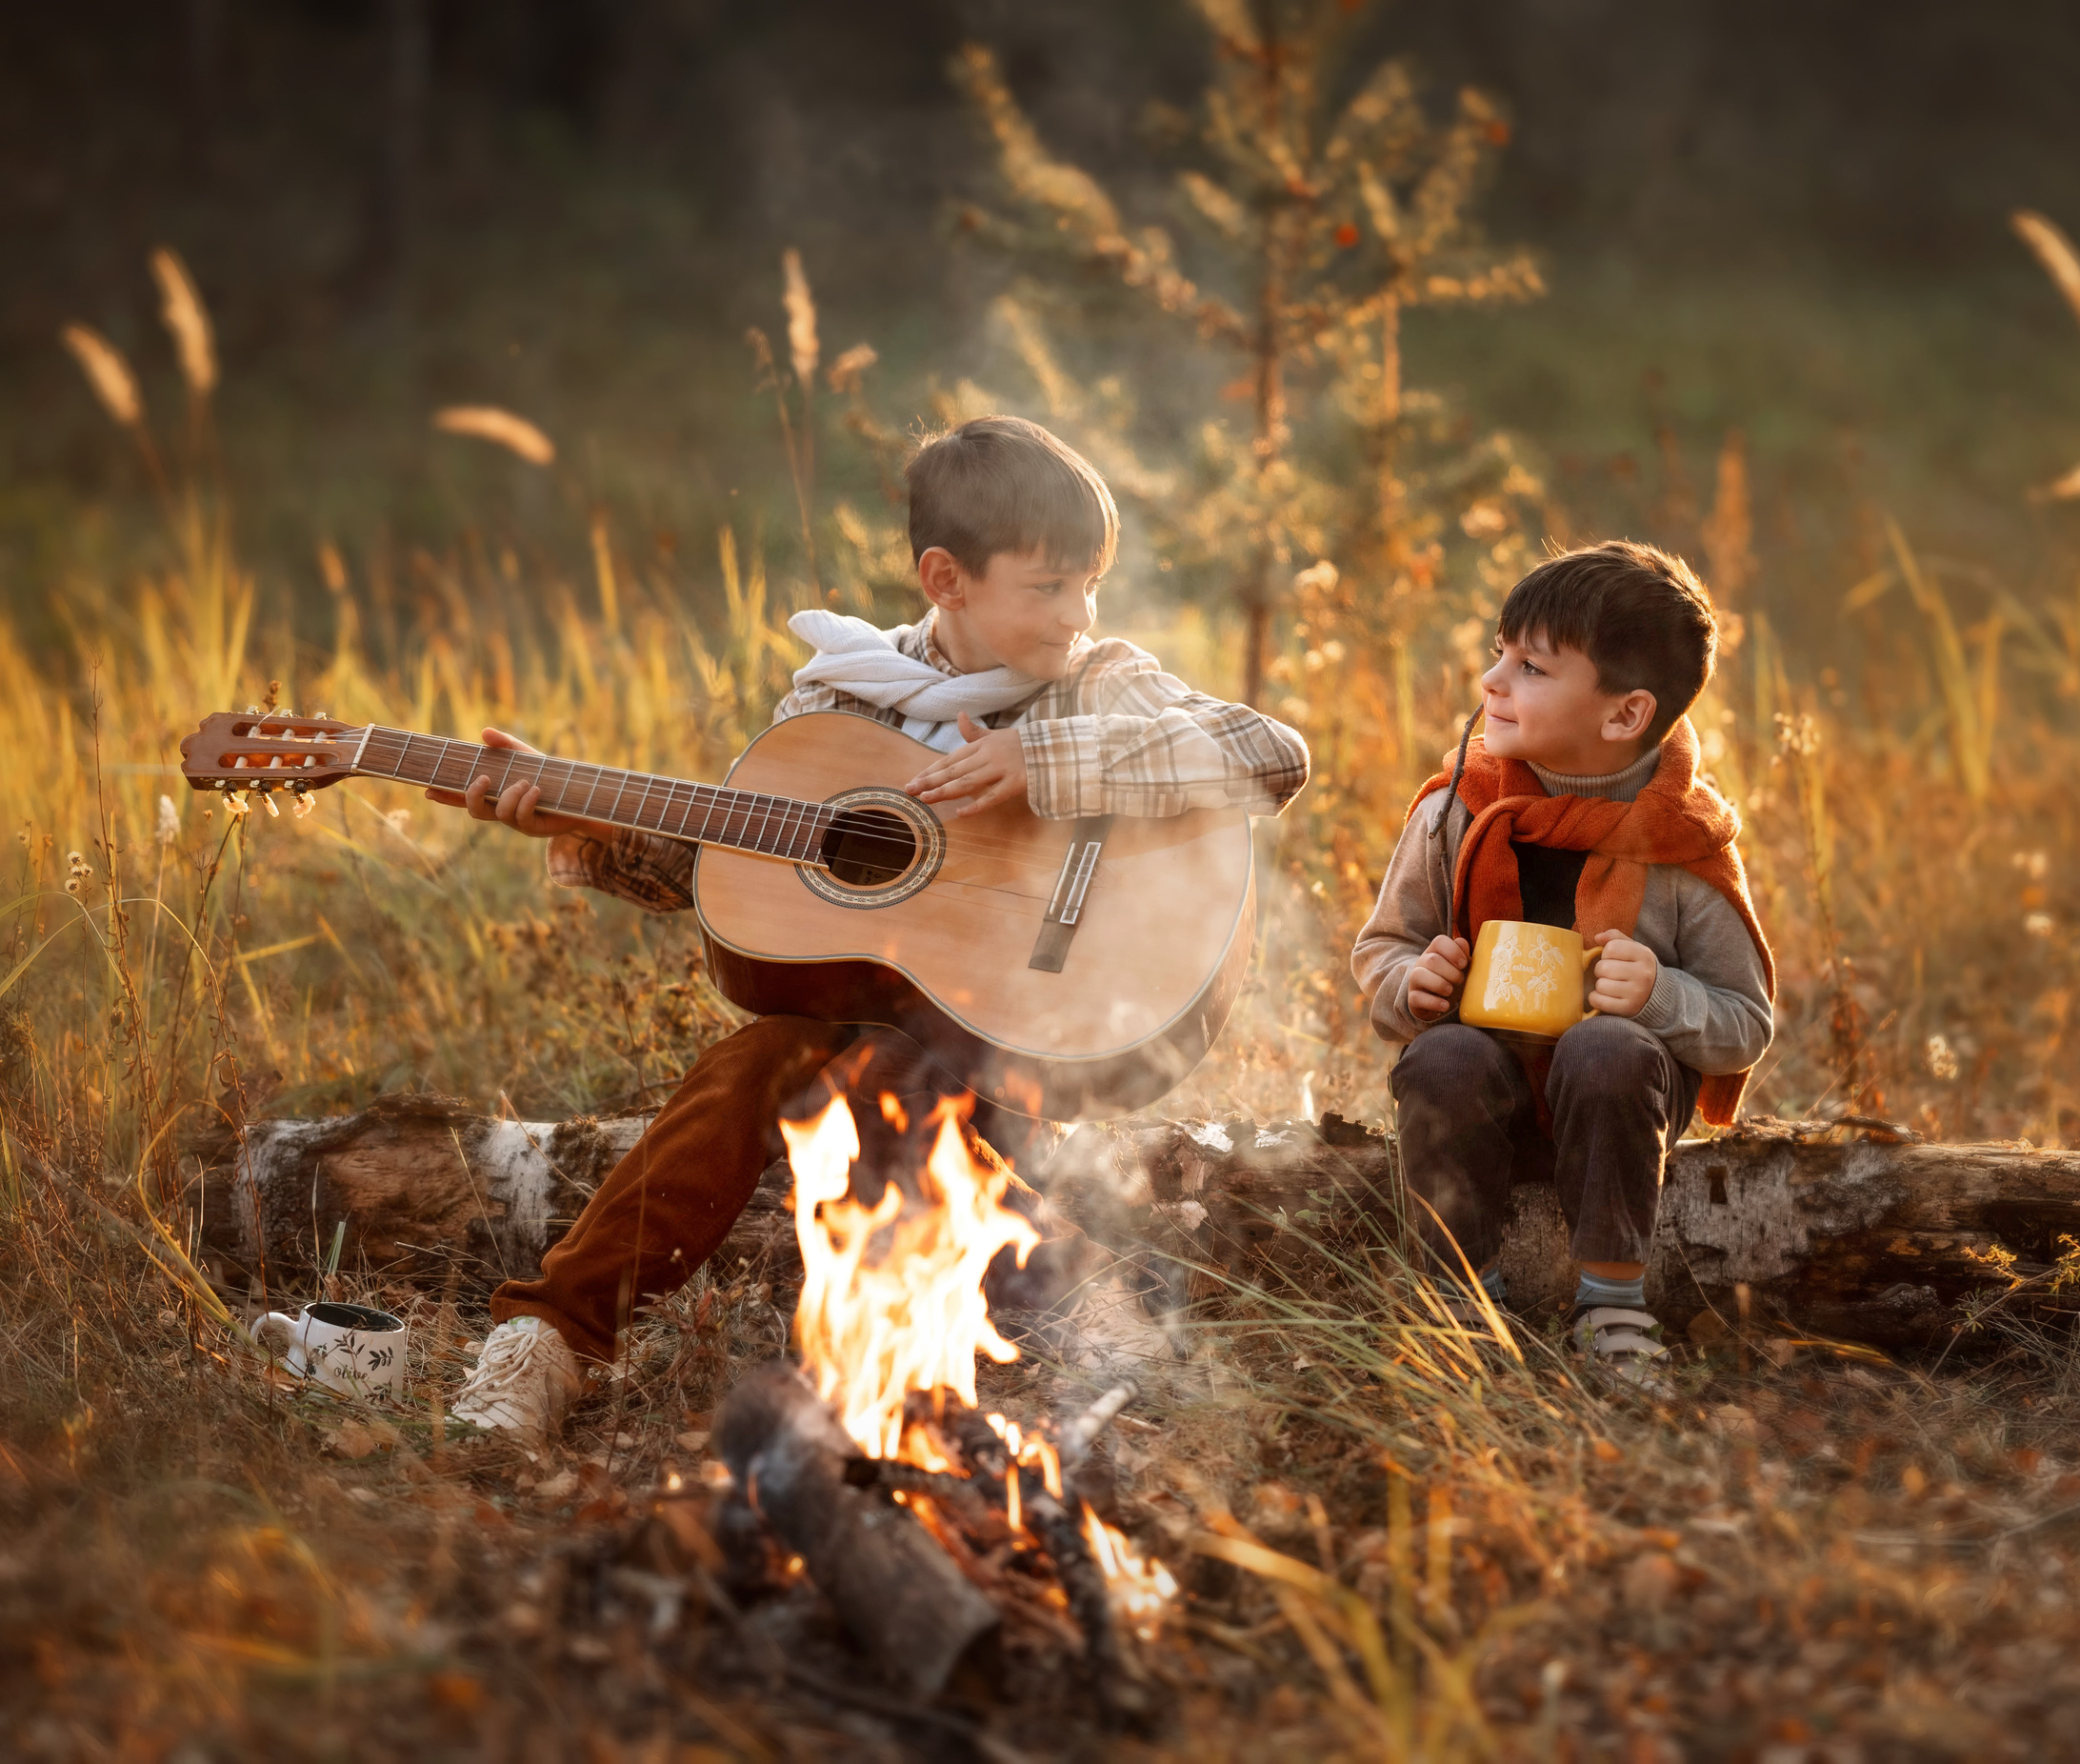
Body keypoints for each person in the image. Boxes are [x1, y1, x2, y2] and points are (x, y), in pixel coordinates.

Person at [438, 415, 1310, 1439]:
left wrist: (1050, 764)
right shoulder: (837, 701)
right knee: (779, 1053)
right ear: (946, 579)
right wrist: (587, 815)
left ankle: (1085, 1296)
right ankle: (546, 1342)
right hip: (884, 1054)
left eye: (1088, 583)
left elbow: (1268, 753)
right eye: (1047, 587)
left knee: (878, 1075)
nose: (1077, 612)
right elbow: (738, 877)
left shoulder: (1098, 681)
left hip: (1026, 1056)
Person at [1350, 540, 1773, 1384]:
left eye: (1532, 668)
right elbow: (1382, 951)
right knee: (1444, 1054)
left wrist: (1661, 995)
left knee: (1606, 1044)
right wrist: (1412, 984)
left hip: (1619, 1095)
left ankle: (1611, 1306)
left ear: (1624, 714)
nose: (1492, 682)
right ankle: (1460, 1302)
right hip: (1487, 1084)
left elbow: (1745, 1022)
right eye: (1498, 653)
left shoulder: (1680, 842)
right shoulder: (1455, 809)